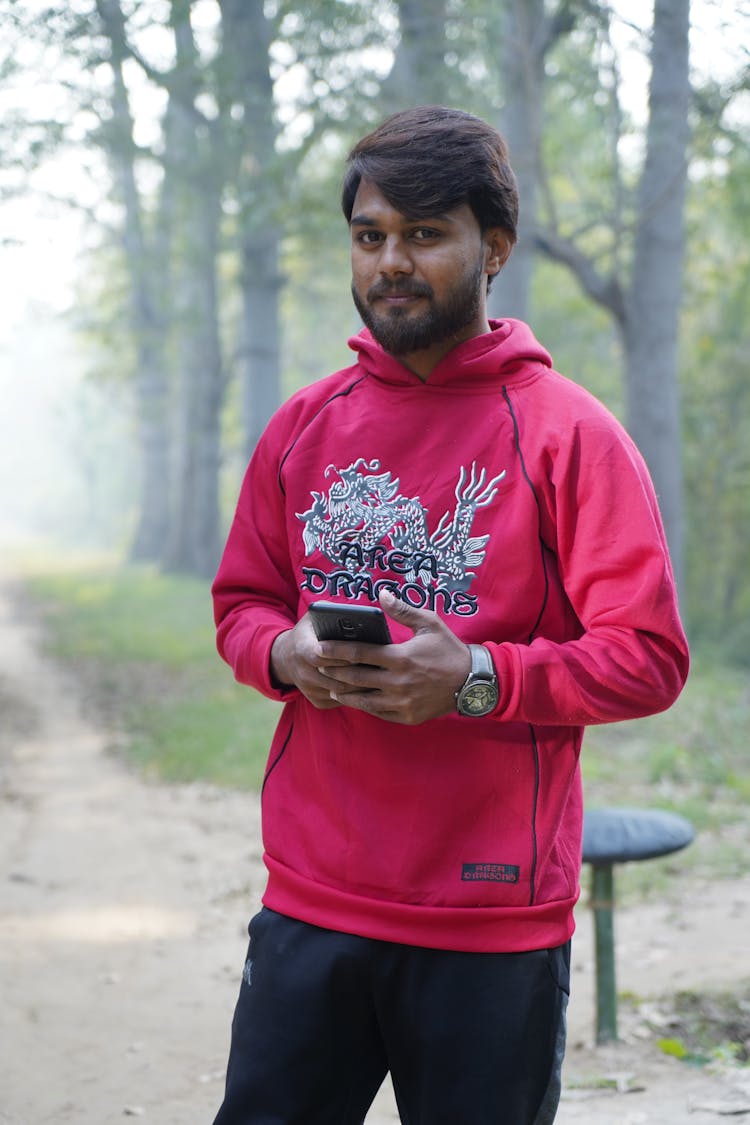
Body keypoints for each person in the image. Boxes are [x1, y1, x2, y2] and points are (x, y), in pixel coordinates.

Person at [210, 105, 689, 1125]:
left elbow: (647, 656)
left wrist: (477, 677)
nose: (392, 261)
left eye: (426, 235)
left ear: (495, 247)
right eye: (372, 234)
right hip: (312, 896)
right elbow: (241, 604)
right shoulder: (303, 426)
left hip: (490, 920)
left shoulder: (569, 434)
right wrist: (286, 655)